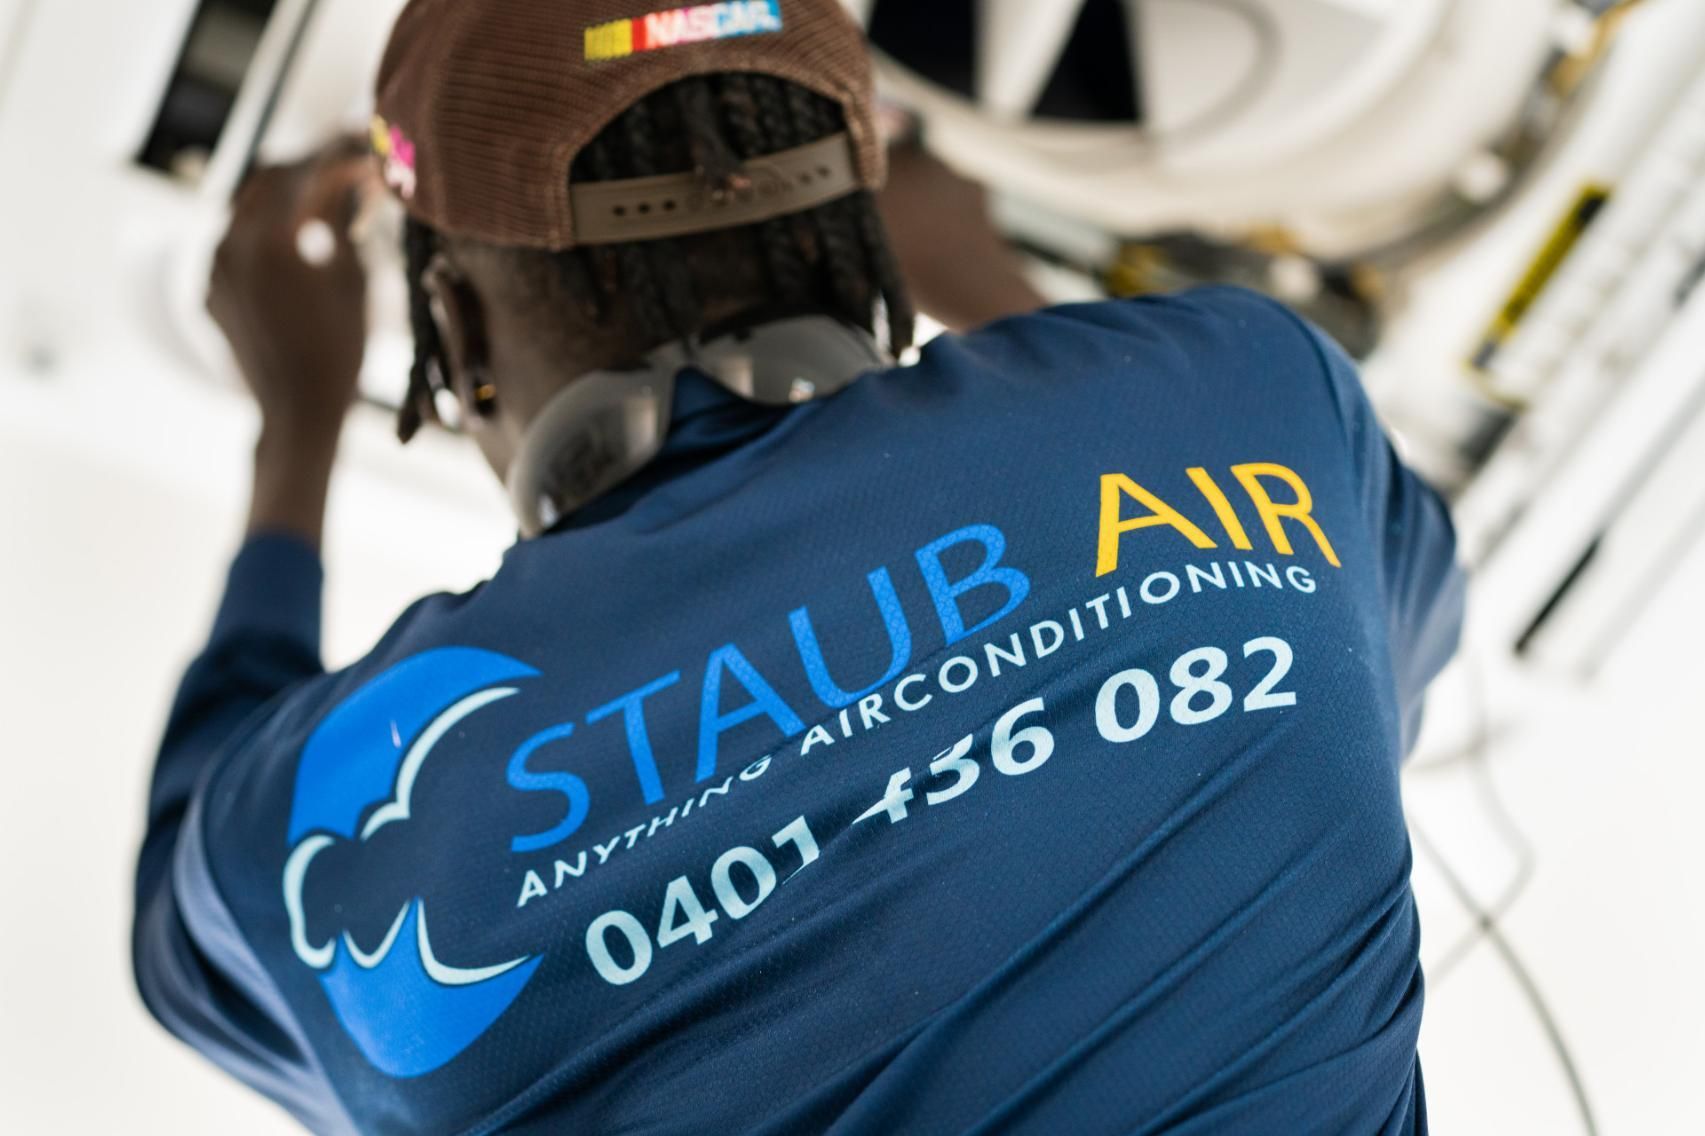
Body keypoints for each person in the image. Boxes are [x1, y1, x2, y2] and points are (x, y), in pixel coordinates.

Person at [132, 1, 1465, 1133]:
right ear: (870, 248)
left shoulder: (325, 823)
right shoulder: (1242, 393)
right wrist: (995, 291)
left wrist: (294, 424)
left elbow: (181, 923)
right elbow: (1381, 611)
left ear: (452, 323)